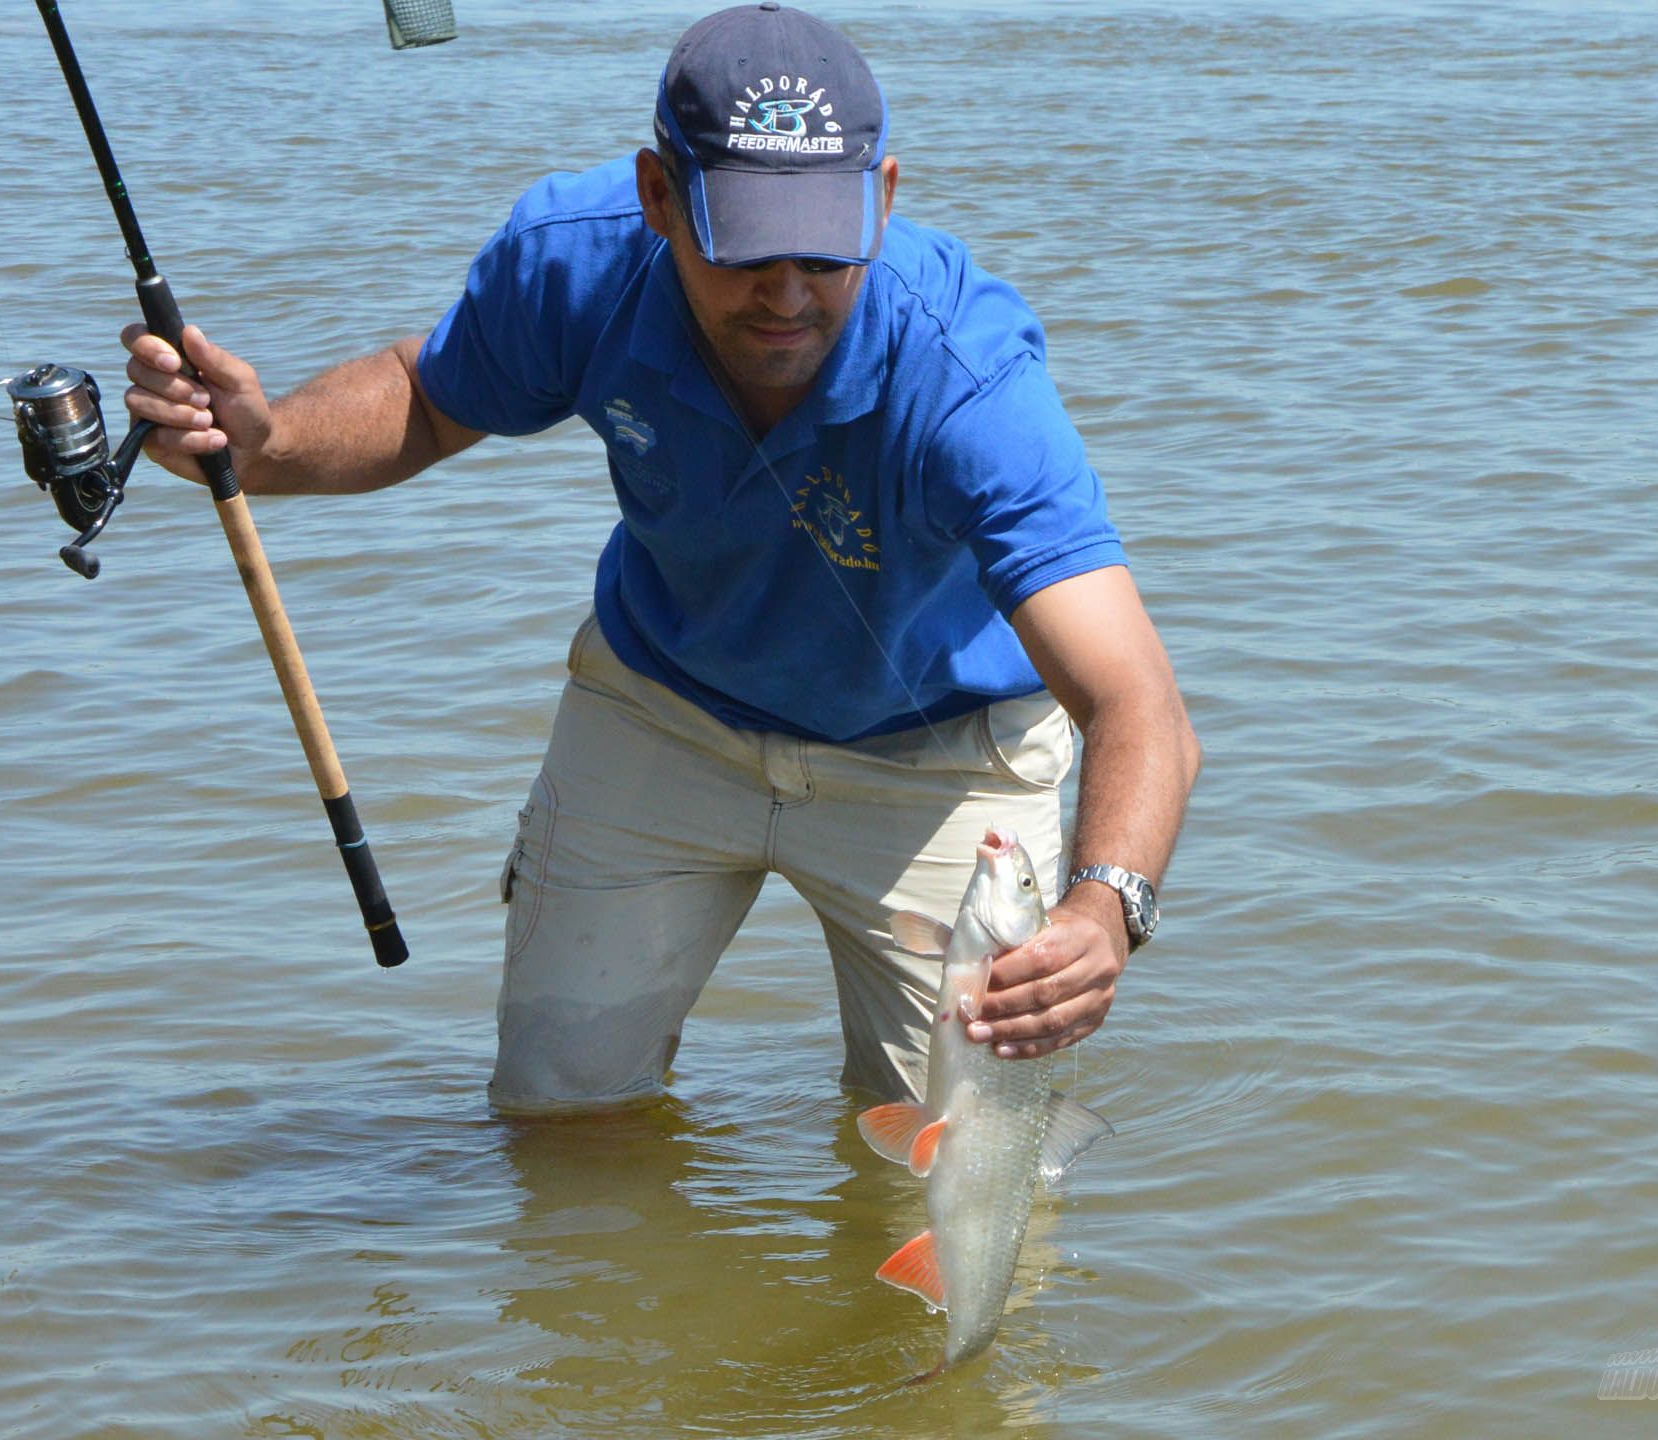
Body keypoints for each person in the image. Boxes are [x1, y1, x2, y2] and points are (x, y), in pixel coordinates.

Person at [121, 1, 1202, 1111]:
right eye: (745, 250)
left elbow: (1136, 703)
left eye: (826, 252)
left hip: (938, 757)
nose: (787, 296)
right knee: (555, 1103)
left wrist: (1103, 907)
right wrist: (270, 446)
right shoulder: (572, 264)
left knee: (956, 1165)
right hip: (664, 711)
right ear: (656, 197)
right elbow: (432, 398)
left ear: (884, 196)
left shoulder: (969, 379)